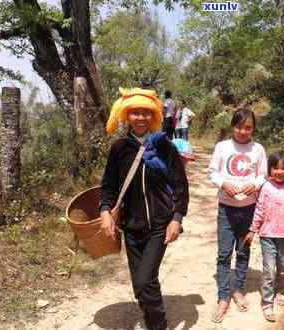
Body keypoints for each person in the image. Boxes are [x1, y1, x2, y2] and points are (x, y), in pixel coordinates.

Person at [99, 87, 189, 330]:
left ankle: (159, 325)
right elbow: (108, 185)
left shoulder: (165, 147)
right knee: (139, 286)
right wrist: (105, 210)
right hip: (131, 226)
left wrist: (177, 218)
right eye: (135, 113)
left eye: (146, 113)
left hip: (159, 226)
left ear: (154, 117)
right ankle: (151, 320)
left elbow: (180, 185)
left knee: (146, 279)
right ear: (127, 116)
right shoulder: (119, 149)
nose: (141, 118)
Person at [208, 107, 267, 323]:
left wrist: (255, 184)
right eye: (239, 126)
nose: (243, 131)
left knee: (243, 252)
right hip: (226, 208)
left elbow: (263, 175)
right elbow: (213, 172)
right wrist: (224, 183)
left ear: (253, 129)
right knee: (224, 254)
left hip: (249, 208)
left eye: (248, 127)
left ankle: (238, 289)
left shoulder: (258, 149)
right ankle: (223, 296)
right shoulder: (222, 147)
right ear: (233, 126)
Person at [245, 151, 284, 322]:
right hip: (267, 236)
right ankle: (267, 302)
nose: (279, 172)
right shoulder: (265, 188)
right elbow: (259, 210)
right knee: (269, 269)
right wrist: (252, 230)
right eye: (275, 168)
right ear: (270, 169)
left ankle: (279, 289)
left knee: (283, 266)